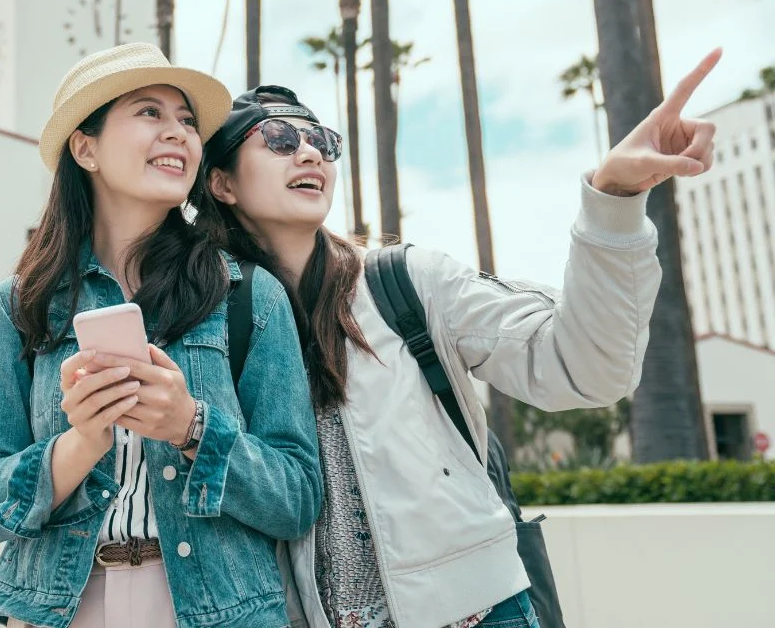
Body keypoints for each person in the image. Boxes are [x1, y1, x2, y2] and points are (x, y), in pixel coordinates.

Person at [196, 51, 722, 628]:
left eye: (321, 139)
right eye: (276, 138)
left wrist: (614, 198)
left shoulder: (404, 283)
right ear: (221, 183)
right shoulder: (211, 325)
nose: (310, 151)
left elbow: (585, 368)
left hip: (480, 613)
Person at [0, 42, 323, 628]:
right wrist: (80, 444)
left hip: (220, 608)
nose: (179, 133)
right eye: (150, 113)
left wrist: (191, 427)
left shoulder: (247, 294)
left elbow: (298, 497)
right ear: (86, 147)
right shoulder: (20, 304)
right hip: (60, 608)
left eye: (186, 121)